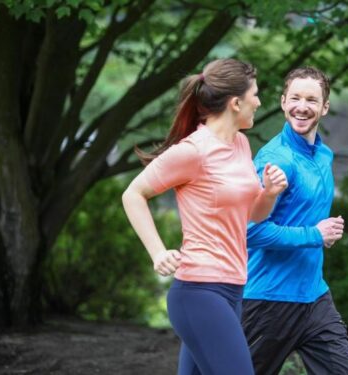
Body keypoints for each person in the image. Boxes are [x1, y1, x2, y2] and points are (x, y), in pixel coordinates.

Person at [121, 58, 288, 375]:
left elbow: (253, 214)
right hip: (199, 292)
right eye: (255, 94)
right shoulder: (193, 151)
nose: (259, 101)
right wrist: (157, 252)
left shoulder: (240, 144)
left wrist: (268, 193)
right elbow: (133, 194)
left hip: (232, 289)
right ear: (236, 103)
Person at [241, 67, 348, 374]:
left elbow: (307, 220)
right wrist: (314, 235)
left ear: (325, 107)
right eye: (295, 97)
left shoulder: (324, 156)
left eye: (311, 99)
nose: (302, 106)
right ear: (282, 102)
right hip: (268, 299)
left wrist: (324, 232)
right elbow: (251, 232)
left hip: (314, 296)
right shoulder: (275, 160)